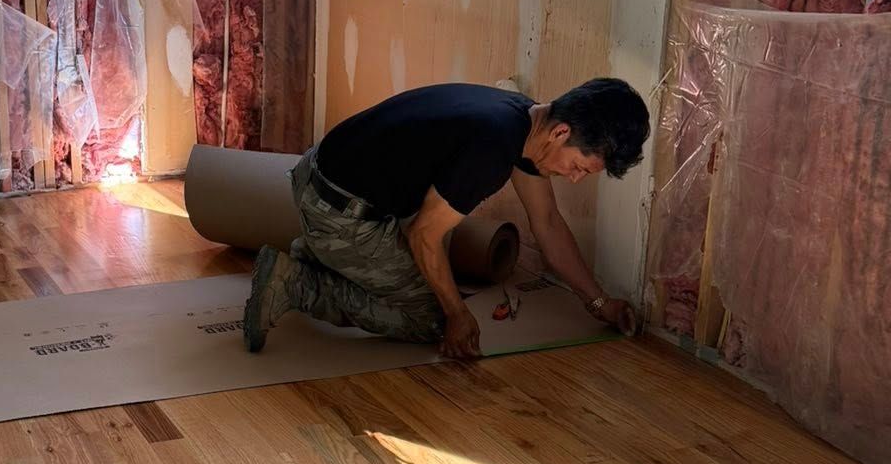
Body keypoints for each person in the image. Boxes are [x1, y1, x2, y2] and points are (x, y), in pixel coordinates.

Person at [242, 78, 649, 362]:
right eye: (580, 167)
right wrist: (456, 314)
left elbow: (547, 223)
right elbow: (425, 236)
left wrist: (601, 304)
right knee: (431, 318)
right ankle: (297, 284)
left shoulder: (524, 118)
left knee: (428, 280)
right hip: (339, 212)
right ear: (561, 133)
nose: (575, 178)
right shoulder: (492, 146)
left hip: (319, 173)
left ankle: (320, 257)